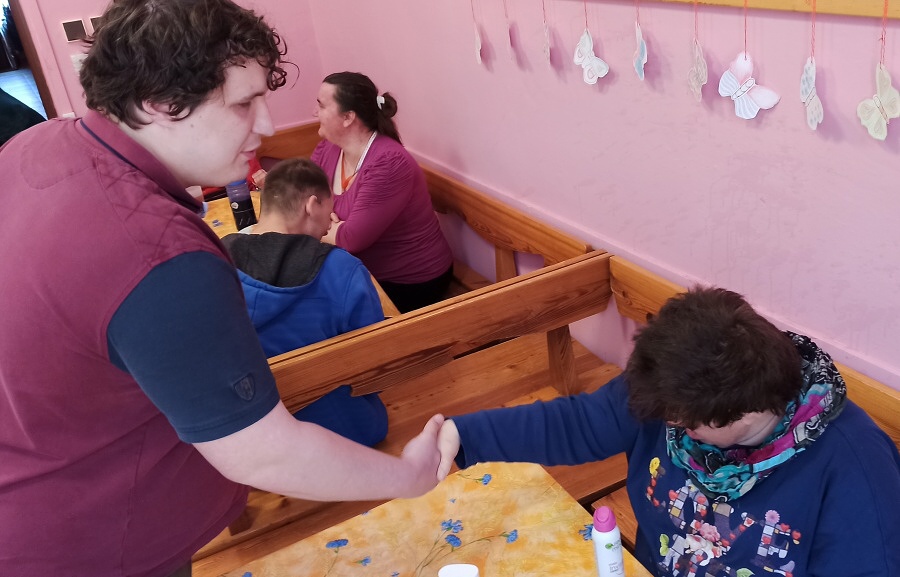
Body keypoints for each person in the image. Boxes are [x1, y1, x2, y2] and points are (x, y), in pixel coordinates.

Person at [0, 1, 443, 576]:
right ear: (159, 101)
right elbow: (263, 451)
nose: (266, 124)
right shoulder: (159, 256)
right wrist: (408, 476)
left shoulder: (38, 142)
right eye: (243, 103)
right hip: (93, 543)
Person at [436, 287, 900, 577]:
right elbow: (578, 423)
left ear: (743, 415)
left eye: (683, 424)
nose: (669, 427)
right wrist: (459, 434)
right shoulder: (672, 389)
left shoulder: (856, 466)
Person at [222, 158, 388, 447]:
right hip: (346, 432)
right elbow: (377, 365)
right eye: (329, 210)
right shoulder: (343, 270)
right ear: (312, 205)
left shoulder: (214, 261)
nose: (330, 223)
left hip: (252, 441)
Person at [311, 71, 454, 313]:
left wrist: (318, 221)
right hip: (360, 272)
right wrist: (328, 224)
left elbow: (352, 238)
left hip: (410, 282)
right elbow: (305, 196)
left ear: (348, 117)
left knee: (316, 310)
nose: (315, 112)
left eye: (321, 106)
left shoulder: (388, 163)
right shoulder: (329, 147)